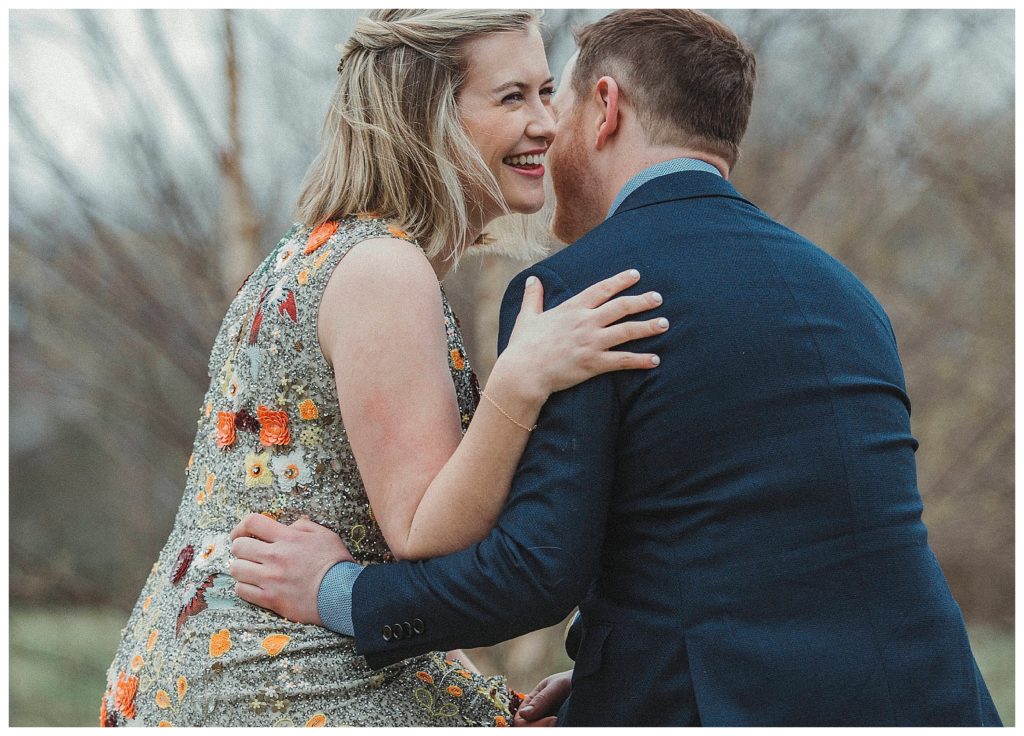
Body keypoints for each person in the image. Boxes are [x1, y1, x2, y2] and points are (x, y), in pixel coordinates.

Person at [230, 8, 1003, 727]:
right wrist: (617, 675)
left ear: (605, 108)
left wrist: (338, 593)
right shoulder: (848, 296)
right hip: (934, 698)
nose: (544, 129)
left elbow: (531, 573)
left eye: (553, 102)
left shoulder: (585, 293)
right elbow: (761, 536)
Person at [100, 9, 668, 727]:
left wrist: (489, 703)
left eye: (547, 92)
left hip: (231, 669)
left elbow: (383, 556)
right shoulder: (383, 270)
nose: (547, 123)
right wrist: (523, 379)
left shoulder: (322, 253)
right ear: (425, 118)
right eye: (511, 97)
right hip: (275, 684)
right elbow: (423, 532)